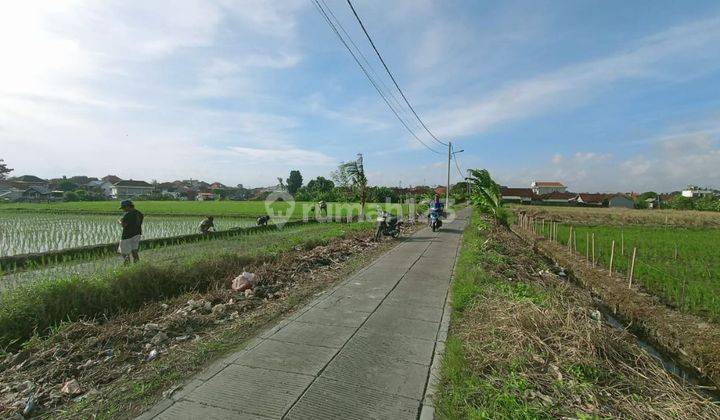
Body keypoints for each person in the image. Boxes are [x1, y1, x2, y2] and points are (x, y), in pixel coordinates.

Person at [118, 200, 143, 264]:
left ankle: (127, 266)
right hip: (137, 234)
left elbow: (124, 225)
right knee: (134, 251)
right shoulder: (139, 213)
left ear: (127, 206)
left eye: (123, 208)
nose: (123, 210)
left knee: (124, 253)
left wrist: (120, 221)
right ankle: (137, 265)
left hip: (127, 236)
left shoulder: (128, 215)